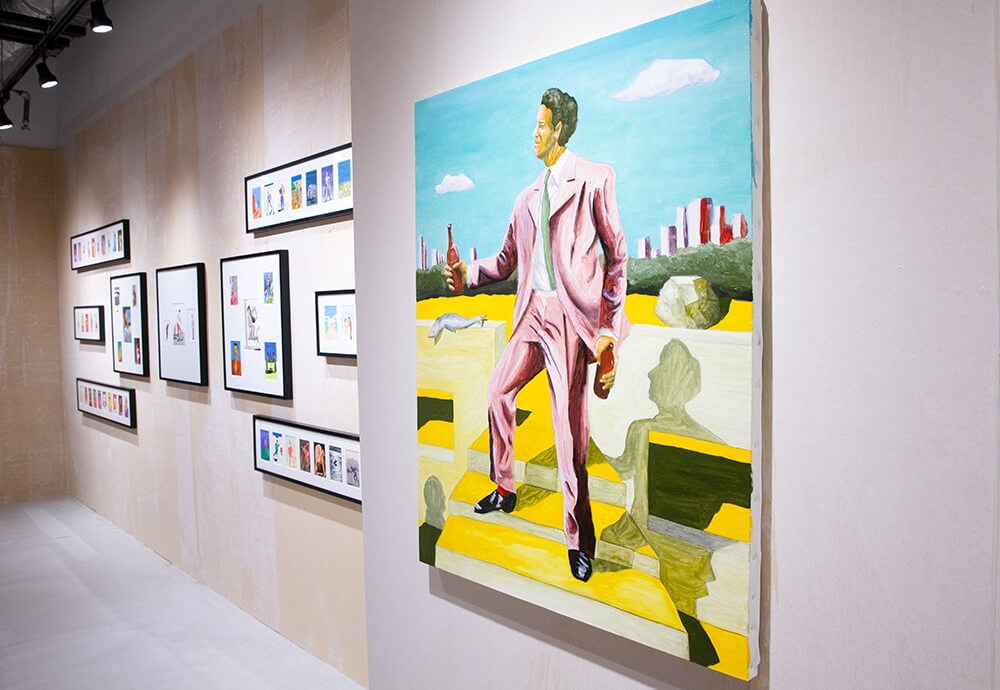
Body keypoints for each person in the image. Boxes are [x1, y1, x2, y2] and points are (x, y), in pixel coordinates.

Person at [445, 88, 630, 582]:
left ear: (560, 130)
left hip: (571, 318)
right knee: (498, 391)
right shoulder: (525, 197)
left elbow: (617, 257)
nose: (535, 132)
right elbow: (506, 261)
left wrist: (607, 329)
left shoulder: (594, 179)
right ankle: (504, 487)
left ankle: (579, 538)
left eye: (542, 125)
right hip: (531, 314)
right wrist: (467, 273)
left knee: (568, 432)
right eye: (536, 124)